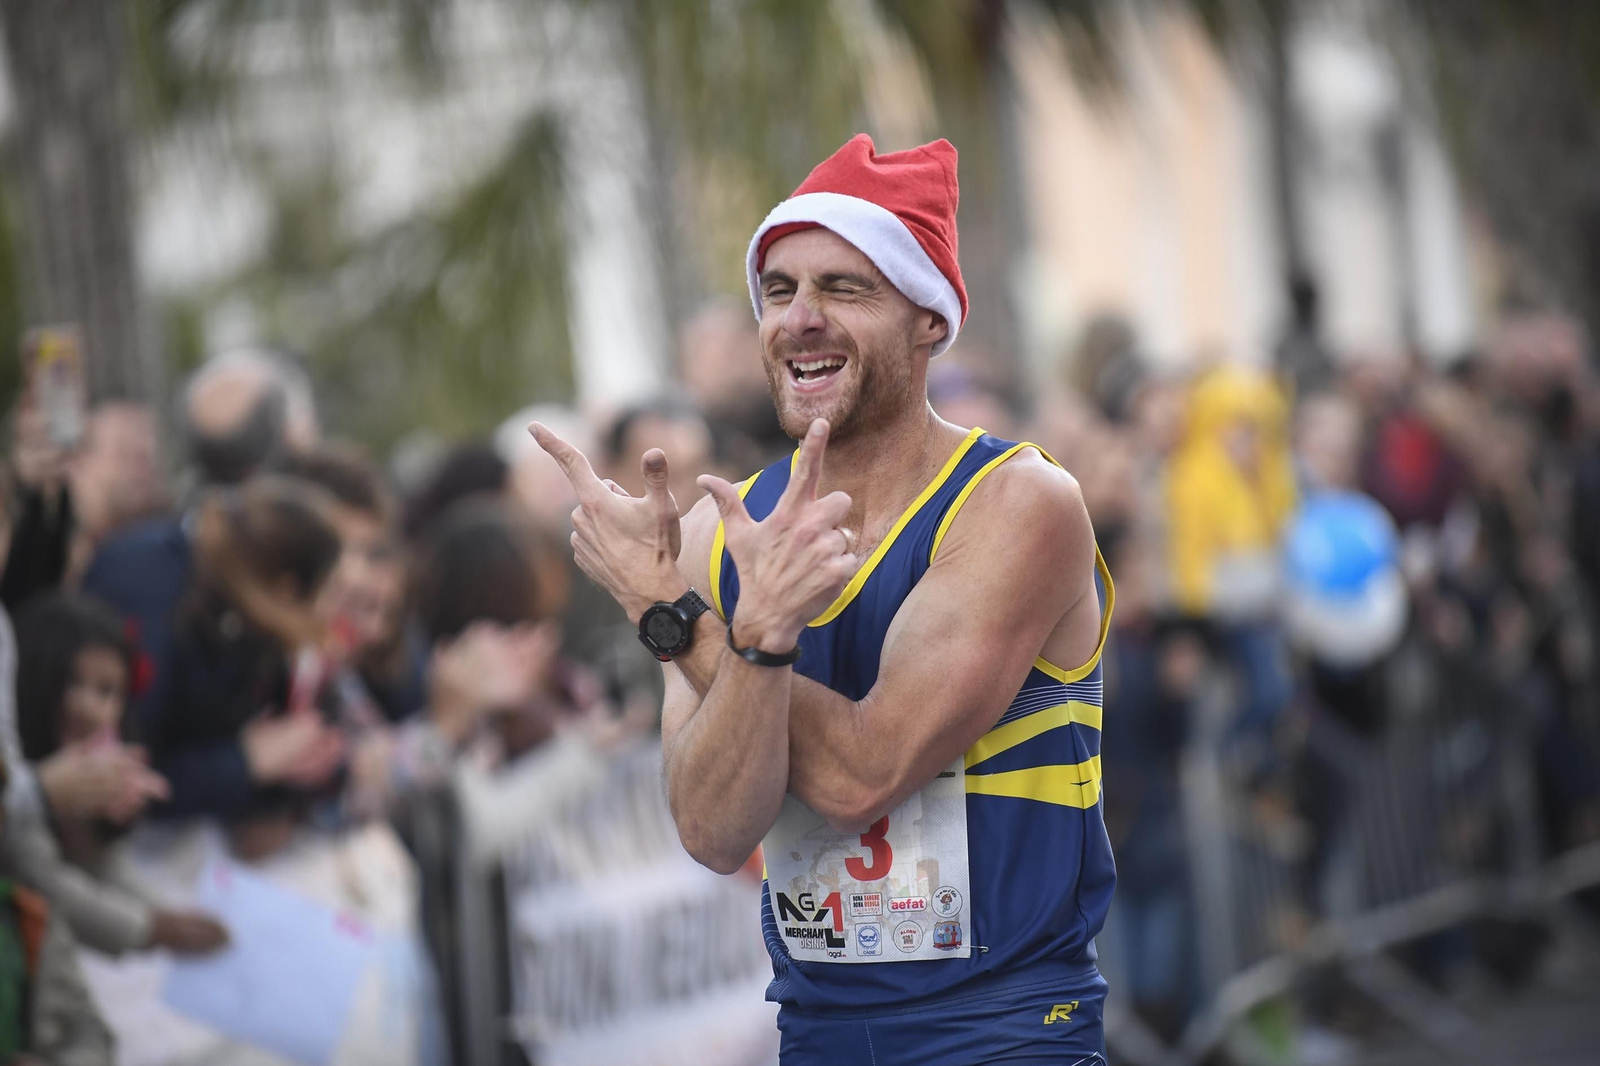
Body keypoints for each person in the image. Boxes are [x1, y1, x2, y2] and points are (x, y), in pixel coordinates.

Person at [534, 134, 1115, 1065]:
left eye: (845, 288)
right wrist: (723, 625)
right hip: (818, 1034)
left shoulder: (1017, 503)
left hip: (1004, 1032)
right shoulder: (714, 535)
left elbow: (861, 778)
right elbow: (715, 830)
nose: (800, 318)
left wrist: (684, 620)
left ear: (929, 317)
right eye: (778, 290)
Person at [81, 348, 320, 730]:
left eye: (147, 449)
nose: (142, 466)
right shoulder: (145, 567)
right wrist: (246, 762)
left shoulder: (185, 550)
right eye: (123, 452)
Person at [12, 594, 228, 956]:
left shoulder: (97, 758)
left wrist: (167, 914)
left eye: (106, 691)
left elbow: (101, 860)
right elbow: (42, 879)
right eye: (70, 683)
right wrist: (152, 929)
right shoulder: (16, 765)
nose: (87, 707)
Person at [143, 478, 346, 857]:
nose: (334, 613)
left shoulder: (239, 624)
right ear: (288, 590)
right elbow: (139, 775)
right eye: (331, 592)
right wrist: (246, 761)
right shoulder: (169, 608)